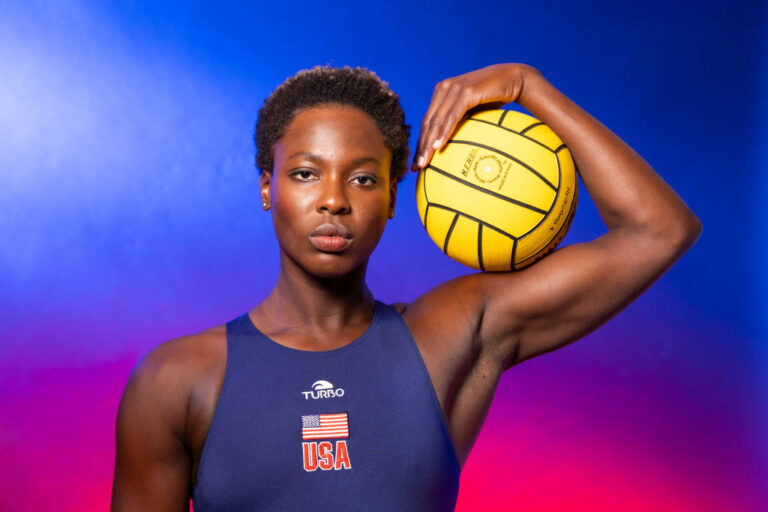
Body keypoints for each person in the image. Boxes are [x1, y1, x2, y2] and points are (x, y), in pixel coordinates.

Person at [110, 63, 701, 511]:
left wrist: (528, 86)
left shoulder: (448, 333)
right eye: (306, 173)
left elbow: (659, 231)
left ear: (394, 197)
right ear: (268, 188)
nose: (334, 199)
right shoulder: (178, 379)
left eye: (363, 179)